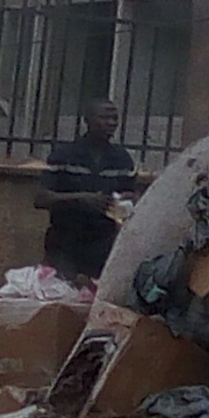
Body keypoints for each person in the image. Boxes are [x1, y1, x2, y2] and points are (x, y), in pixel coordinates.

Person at [35, 101, 139, 284]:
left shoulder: (122, 159)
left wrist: (129, 201)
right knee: (61, 298)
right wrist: (82, 199)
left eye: (115, 118)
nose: (112, 122)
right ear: (88, 120)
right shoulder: (64, 155)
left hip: (103, 245)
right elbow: (40, 198)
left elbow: (131, 198)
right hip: (64, 244)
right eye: (105, 117)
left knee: (96, 302)